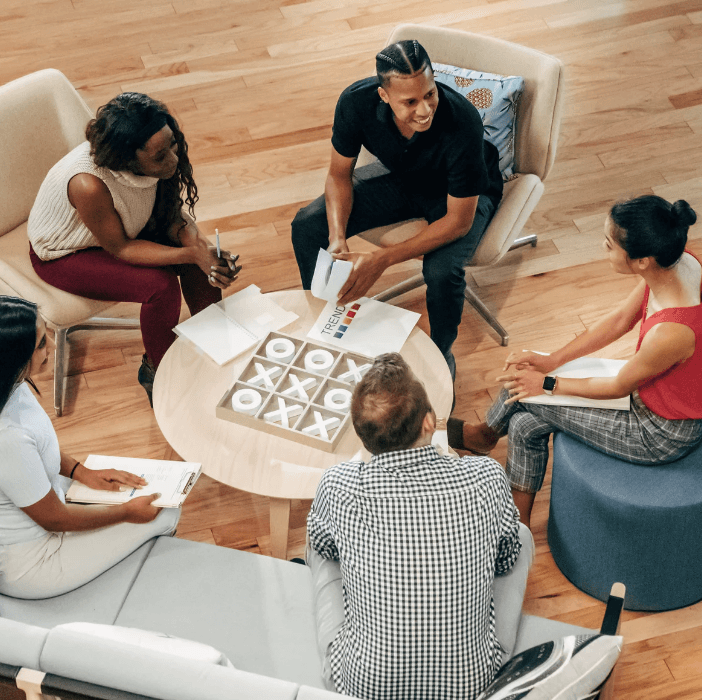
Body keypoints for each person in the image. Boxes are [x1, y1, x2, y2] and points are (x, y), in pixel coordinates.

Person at [448, 195, 702, 527]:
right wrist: (551, 360)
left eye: (610, 245)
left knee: (529, 395)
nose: (602, 247)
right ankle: (519, 526)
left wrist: (546, 382)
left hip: (657, 432)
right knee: (524, 425)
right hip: (649, 393)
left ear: (642, 260)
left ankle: (484, 435)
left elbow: (617, 386)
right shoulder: (679, 263)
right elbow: (618, 320)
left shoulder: (674, 332)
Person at [307, 353, 521, 700]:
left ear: (363, 436)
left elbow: (326, 548)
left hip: (365, 687)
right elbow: (506, 558)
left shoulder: (337, 485)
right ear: (429, 423)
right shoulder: (485, 476)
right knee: (519, 535)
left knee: (318, 544)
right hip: (471, 685)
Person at [291, 40, 503, 380]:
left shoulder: (462, 121)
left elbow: (458, 223)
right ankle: (325, 320)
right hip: (405, 177)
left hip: (460, 195)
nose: (424, 110)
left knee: (441, 272)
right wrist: (336, 238)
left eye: (430, 94)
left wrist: (383, 260)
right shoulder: (354, 102)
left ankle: (441, 354)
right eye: (410, 101)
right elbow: (337, 175)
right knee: (306, 224)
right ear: (384, 96)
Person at [27, 92, 242, 404]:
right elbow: (121, 248)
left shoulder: (157, 158)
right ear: (127, 159)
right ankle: (159, 371)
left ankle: (216, 342)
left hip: (123, 229)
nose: (174, 157)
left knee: (199, 257)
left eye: (173, 142)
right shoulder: (88, 184)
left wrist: (203, 251)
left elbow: (168, 215)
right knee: (160, 287)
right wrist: (191, 252)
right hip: (65, 253)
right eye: (160, 156)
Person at [0, 296, 180, 599]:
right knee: (166, 515)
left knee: (149, 498)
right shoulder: (7, 438)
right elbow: (54, 518)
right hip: (34, 559)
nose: (54, 348)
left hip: (48, 503)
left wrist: (81, 471)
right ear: (13, 358)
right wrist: (125, 514)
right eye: (43, 344)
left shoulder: (12, 385)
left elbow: (38, 448)